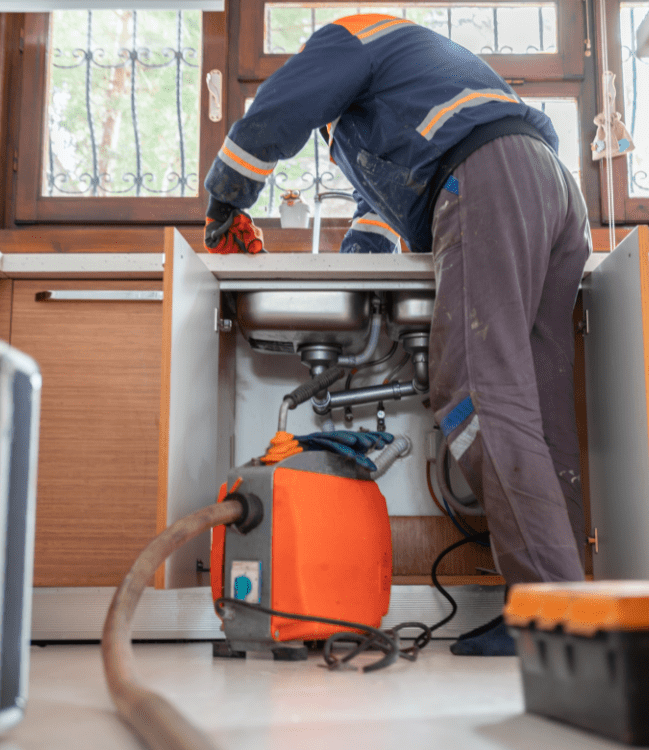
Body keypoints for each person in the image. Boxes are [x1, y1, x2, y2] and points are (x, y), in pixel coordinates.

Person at [203, 14, 590, 655]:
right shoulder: (397, 105)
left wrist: (227, 198)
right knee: (541, 415)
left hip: (488, 178)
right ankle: (576, 611)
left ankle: (550, 621)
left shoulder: (345, 38)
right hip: (548, 187)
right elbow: (373, 229)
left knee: (480, 395)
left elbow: (280, 105)